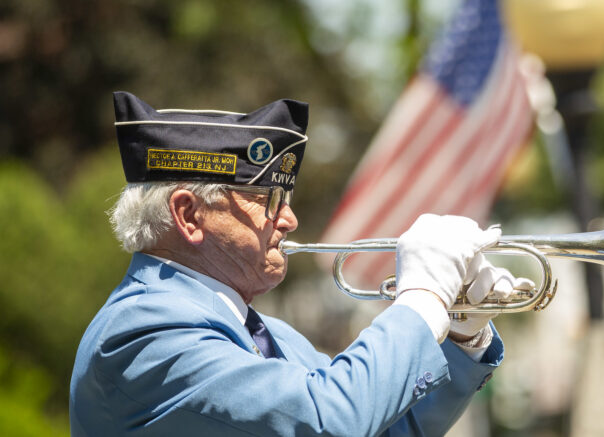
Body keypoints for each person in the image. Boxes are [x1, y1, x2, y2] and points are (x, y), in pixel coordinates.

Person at [70, 92, 534, 436]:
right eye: (268, 199)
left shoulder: (272, 335)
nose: (289, 220)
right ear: (189, 215)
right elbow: (329, 421)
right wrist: (422, 302)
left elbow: (385, 427)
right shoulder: (143, 330)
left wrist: (460, 336)